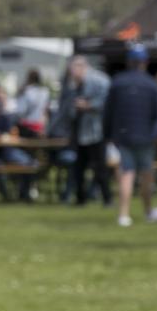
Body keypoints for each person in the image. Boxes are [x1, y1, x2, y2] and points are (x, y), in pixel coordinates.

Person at [105, 44, 157, 227]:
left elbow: (108, 112)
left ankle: (124, 215)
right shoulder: (152, 84)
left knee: (127, 173)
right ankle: (148, 212)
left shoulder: (117, 82)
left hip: (123, 136)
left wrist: (108, 135)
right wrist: (155, 135)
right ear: (145, 62)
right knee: (146, 174)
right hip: (146, 137)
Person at [62, 56, 111, 207]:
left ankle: (107, 199)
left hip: (96, 131)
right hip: (80, 131)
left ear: (83, 67)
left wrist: (89, 105)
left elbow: (108, 101)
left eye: (74, 69)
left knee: (100, 167)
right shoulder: (72, 84)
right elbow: (67, 107)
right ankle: (80, 199)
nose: (72, 72)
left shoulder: (99, 80)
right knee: (79, 167)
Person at [15, 68, 51, 137]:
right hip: (40, 127)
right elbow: (46, 111)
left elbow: (21, 111)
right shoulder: (45, 92)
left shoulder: (25, 91)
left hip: (26, 127)